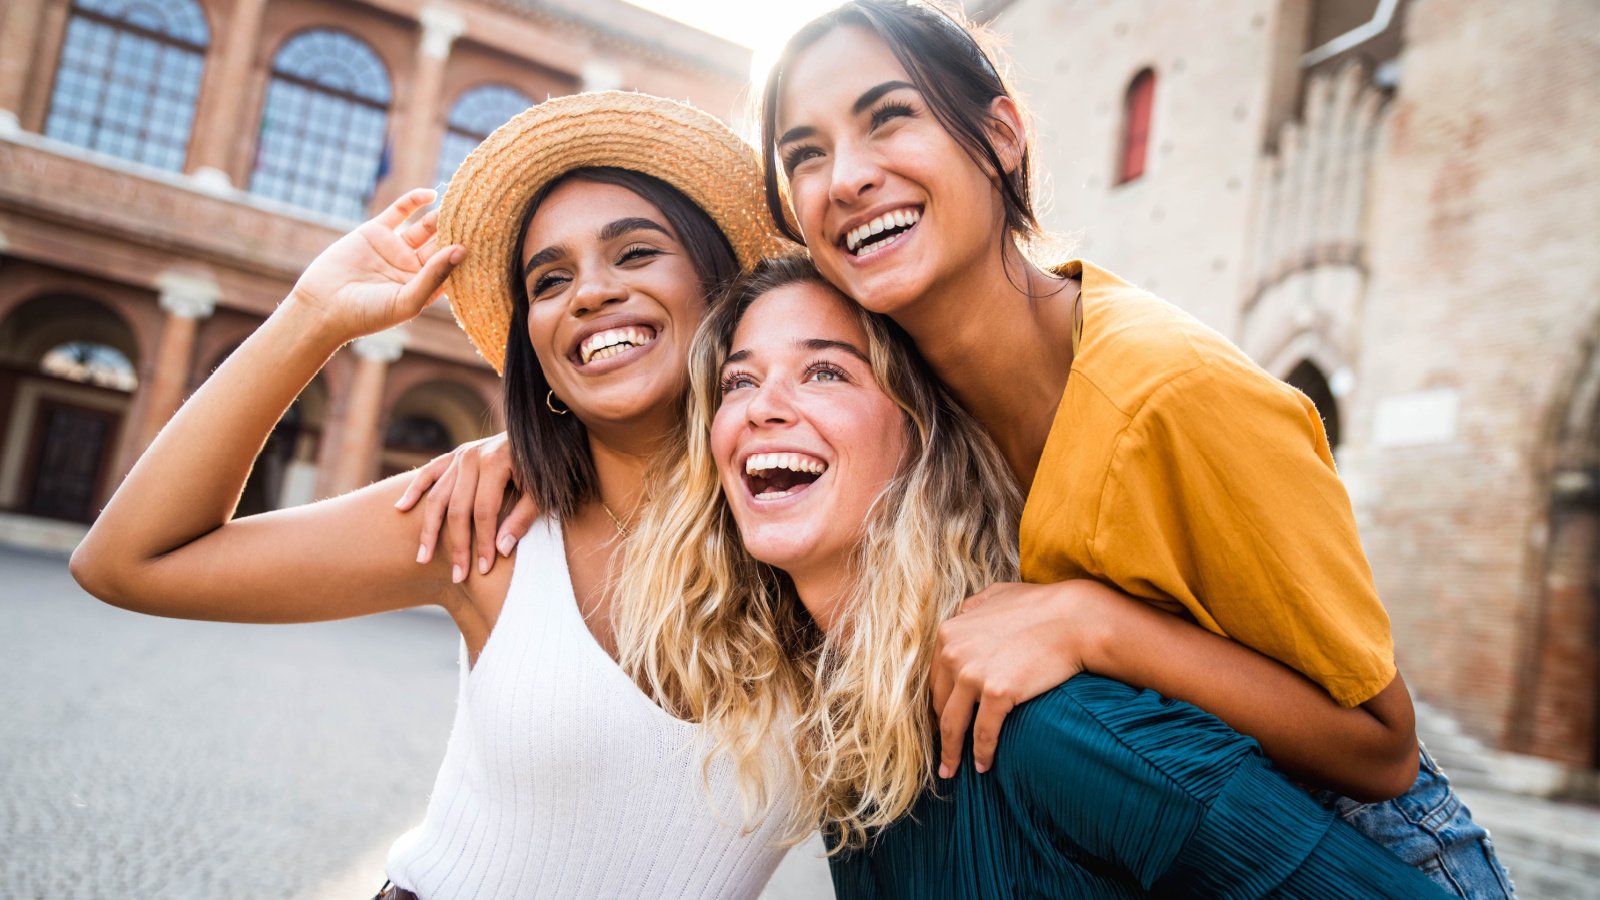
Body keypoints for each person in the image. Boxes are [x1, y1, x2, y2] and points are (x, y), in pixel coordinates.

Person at [756, 1, 1514, 896]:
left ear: (1001, 136)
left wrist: (1095, 624)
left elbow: (1382, 749)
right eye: (806, 153)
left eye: (890, 118)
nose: (845, 177)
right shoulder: (910, 398)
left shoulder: (1172, 393)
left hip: (1357, 850)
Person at [68, 92, 797, 900]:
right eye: (548, 280)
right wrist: (312, 318)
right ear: (536, 342)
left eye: (634, 254)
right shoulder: (485, 528)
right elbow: (128, 561)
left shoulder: (822, 535)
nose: (588, 293)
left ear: (723, 287)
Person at [615, 253, 1451, 898]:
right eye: (739, 381)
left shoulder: (1059, 730)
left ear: (921, 436)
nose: (763, 406)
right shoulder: (849, 728)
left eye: (826, 370)